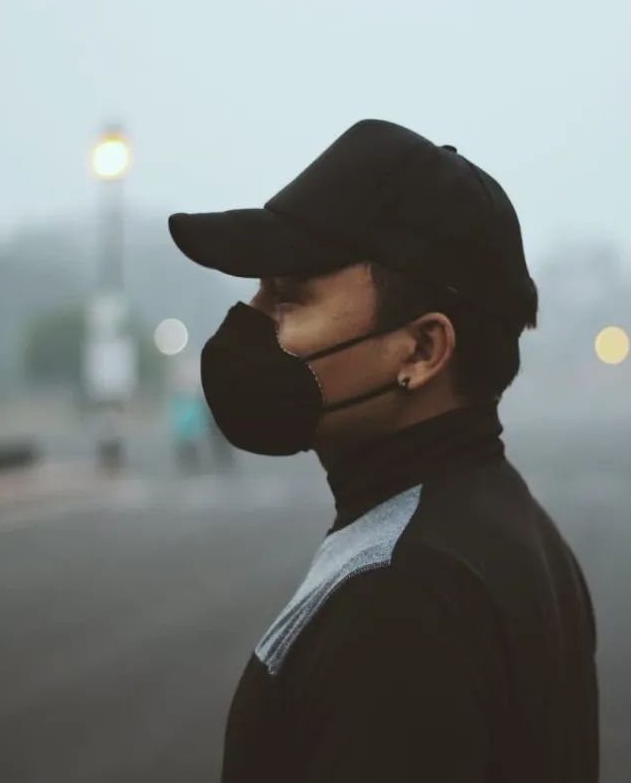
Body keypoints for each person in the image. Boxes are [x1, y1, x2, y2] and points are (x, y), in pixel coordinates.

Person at [168, 119, 599, 782]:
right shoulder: (505, 524)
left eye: (287, 297)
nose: (248, 319)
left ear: (423, 350)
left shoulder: (403, 599)